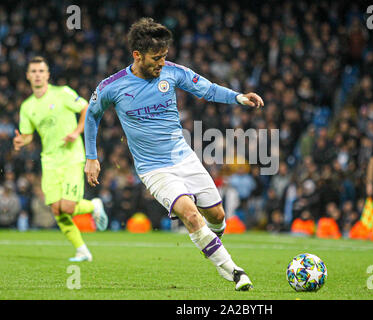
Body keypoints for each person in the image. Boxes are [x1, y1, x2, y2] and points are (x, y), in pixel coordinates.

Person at [84, 18, 264, 291]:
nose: (161, 63)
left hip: (185, 158)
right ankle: (234, 271)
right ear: (137, 55)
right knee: (191, 216)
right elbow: (91, 116)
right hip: (153, 169)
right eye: (156, 58)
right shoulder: (113, 86)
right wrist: (91, 157)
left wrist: (239, 97)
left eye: (164, 56)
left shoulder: (172, 72)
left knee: (215, 215)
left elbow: (207, 89)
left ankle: (212, 242)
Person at [13, 56, 108, 262]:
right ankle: (82, 249)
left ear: (47, 74)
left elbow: (86, 109)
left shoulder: (63, 93)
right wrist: (23, 140)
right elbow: (29, 135)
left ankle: (94, 206)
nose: (37, 75)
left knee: (67, 207)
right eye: (34, 71)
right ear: (28, 76)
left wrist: (76, 132)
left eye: (41, 71)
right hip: (49, 160)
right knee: (57, 209)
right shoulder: (27, 107)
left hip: (71, 156)